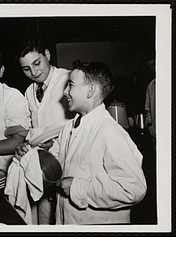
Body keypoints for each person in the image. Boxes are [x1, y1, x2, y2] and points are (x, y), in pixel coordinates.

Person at [49, 61, 147, 224]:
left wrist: (78, 187)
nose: (65, 92)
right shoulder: (70, 127)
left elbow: (132, 189)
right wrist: (31, 155)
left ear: (91, 90)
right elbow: (54, 161)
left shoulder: (110, 133)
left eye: (70, 85)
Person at [14, 37, 74, 224]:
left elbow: (83, 122)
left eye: (37, 63)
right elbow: (32, 130)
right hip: (43, 168)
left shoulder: (69, 79)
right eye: (26, 69)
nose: (34, 72)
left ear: (47, 55)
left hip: (69, 161)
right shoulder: (29, 92)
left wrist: (55, 143)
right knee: (44, 219)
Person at [145, 60, 156, 148]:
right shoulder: (150, 86)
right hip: (155, 133)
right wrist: (150, 126)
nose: (153, 68)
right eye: (150, 66)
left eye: (153, 65)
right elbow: (147, 109)